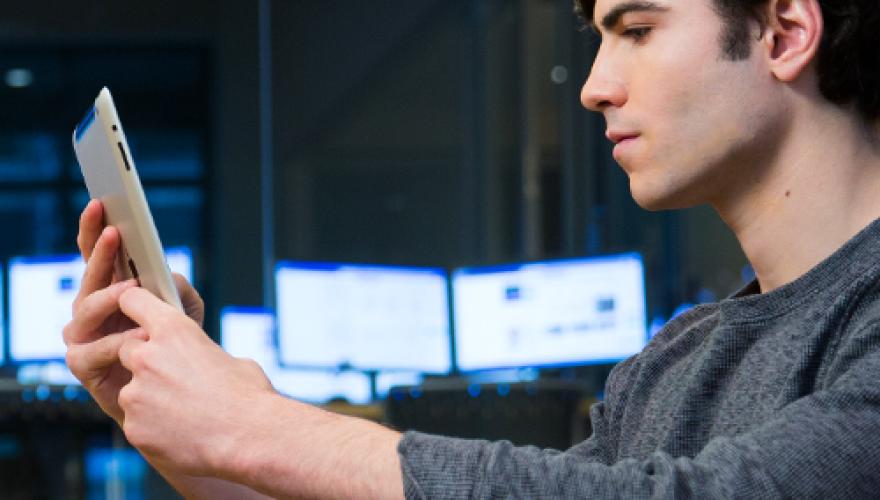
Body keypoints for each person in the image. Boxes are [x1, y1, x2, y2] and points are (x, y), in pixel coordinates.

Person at [64, 0, 880, 497]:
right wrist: (184, 424)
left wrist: (256, 425)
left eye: (637, 28)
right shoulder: (671, 363)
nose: (594, 86)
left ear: (784, 32)